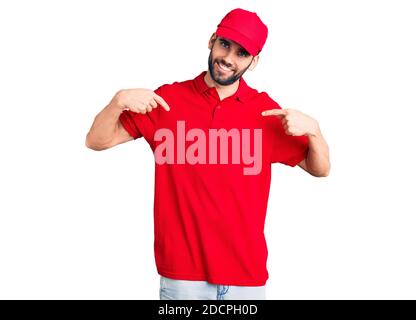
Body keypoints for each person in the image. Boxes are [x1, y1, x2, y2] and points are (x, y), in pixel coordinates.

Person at [85, 8, 330, 300]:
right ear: (212, 40)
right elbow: (96, 141)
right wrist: (118, 101)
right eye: (225, 44)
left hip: (246, 278)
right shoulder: (168, 101)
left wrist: (314, 130)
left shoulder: (265, 112)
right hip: (182, 277)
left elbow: (320, 168)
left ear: (254, 62)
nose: (228, 58)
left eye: (242, 53)